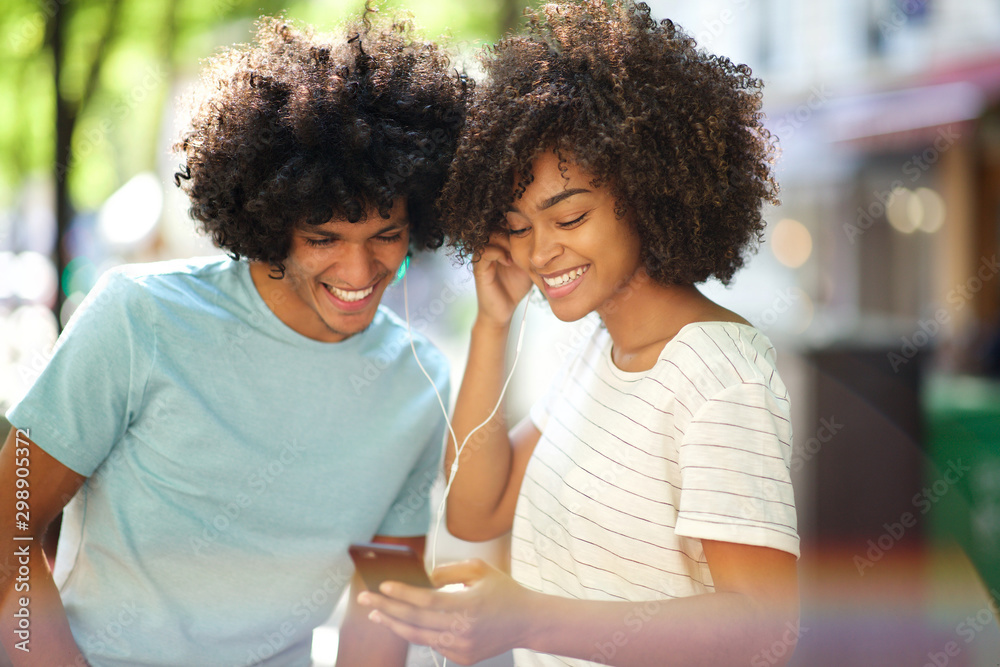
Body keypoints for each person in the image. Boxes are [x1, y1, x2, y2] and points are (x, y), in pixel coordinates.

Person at [0, 13, 469, 667]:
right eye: (324, 238)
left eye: (384, 235)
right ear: (272, 221)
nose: (360, 273)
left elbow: (384, 597)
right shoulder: (139, 320)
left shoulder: (419, 383)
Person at [357, 2, 800, 666]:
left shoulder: (719, 372)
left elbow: (764, 630)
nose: (539, 253)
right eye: (518, 225)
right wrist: (492, 324)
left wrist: (527, 619)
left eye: (570, 217)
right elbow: (476, 511)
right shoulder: (603, 348)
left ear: (649, 190)